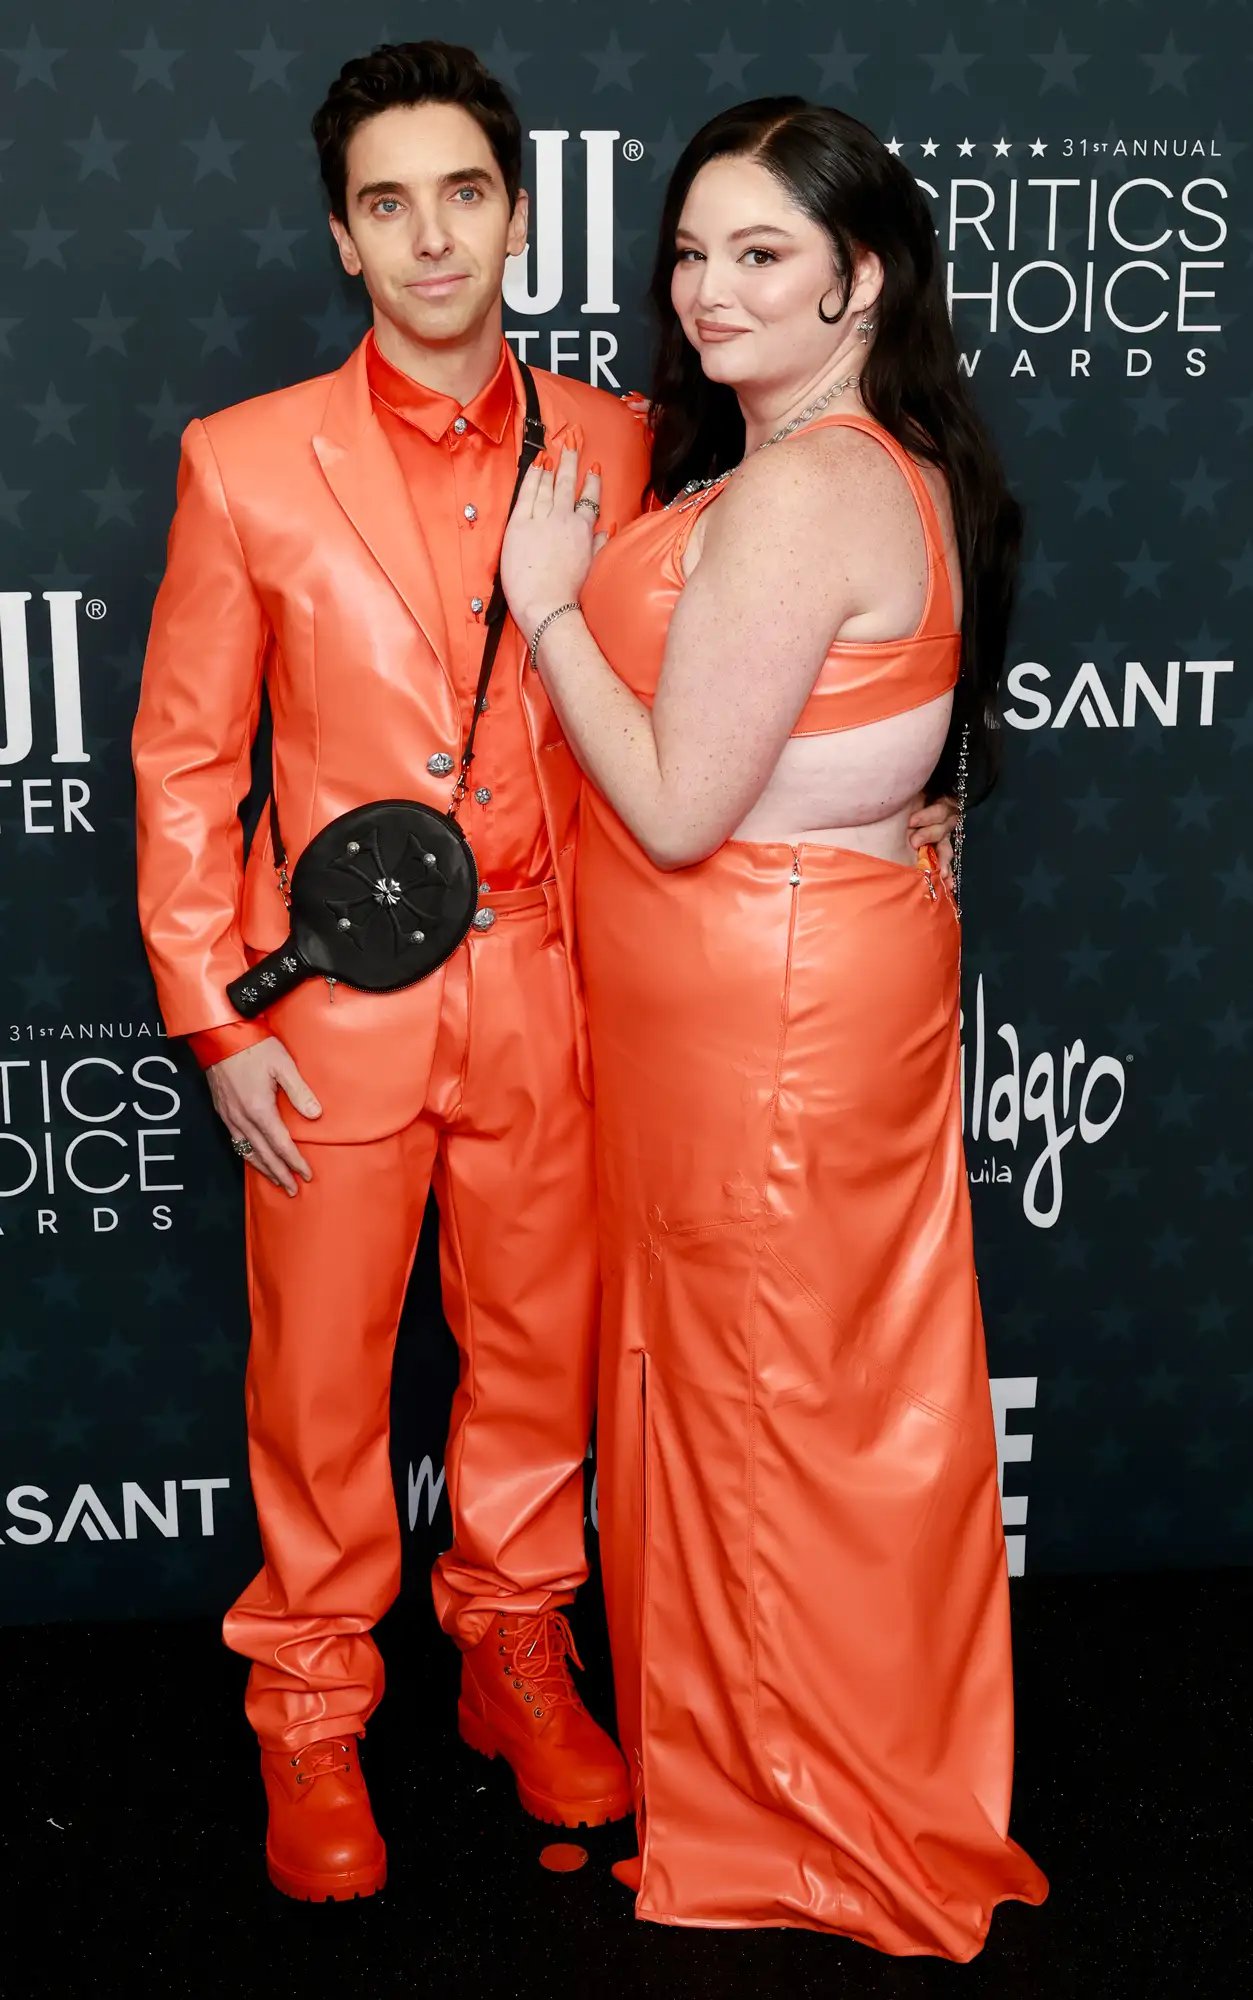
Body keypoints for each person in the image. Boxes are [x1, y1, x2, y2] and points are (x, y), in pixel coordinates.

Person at [500, 98, 1048, 1959]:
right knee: (801, 1395)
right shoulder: (836, 463)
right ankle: (793, 1761)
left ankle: (798, 1810)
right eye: (689, 251)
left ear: (859, 279)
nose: (708, 289)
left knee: (765, 1405)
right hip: (782, 987)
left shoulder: (812, 481)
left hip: (769, 1014)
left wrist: (548, 608)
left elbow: (671, 805)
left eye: (761, 255)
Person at [131, 41, 655, 1903]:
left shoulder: (616, 443)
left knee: (534, 1361)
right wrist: (211, 1017)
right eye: (386, 203)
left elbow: (693, 713)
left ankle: (517, 1651)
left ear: (515, 212)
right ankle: (311, 1709)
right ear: (343, 238)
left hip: (551, 985)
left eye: (462, 193)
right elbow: (190, 760)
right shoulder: (244, 459)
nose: (430, 236)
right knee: (321, 1388)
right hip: (328, 1005)